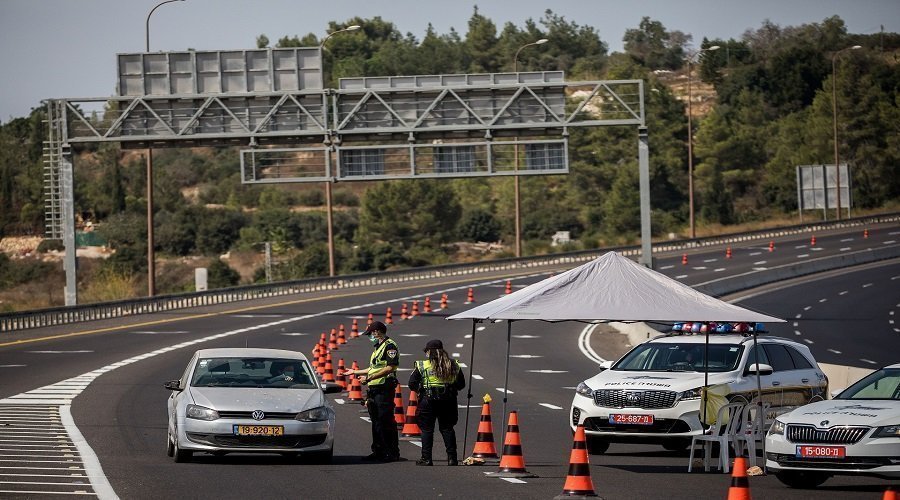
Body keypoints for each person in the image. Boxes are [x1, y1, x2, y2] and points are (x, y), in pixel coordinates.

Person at [340, 321, 401, 462]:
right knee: (376, 421)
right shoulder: (378, 347)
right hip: (375, 388)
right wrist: (355, 372)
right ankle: (378, 451)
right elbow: (373, 367)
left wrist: (369, 378)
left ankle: (391, 452)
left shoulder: (390, 346)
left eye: (371, 334)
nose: (370, 337)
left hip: (384, 388)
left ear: (377, 332)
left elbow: (390, 367)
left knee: (386, 421)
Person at [408, 339, 465, 466]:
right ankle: (452, 458)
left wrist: (421, 390)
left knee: (427, 430)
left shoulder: (423, 365)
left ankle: (426, 458)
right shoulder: (453, 365)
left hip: (427, 400)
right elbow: (461, 384)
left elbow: (412, 383)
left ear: (428, 352)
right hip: (448, 400)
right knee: (447, 428)